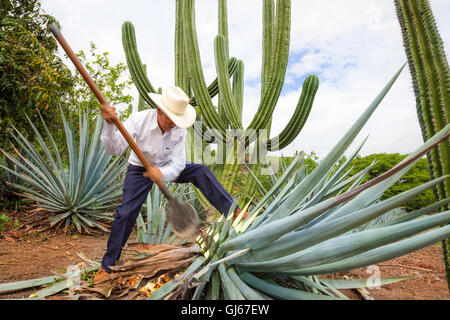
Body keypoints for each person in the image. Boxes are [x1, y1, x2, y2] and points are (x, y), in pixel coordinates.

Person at [94, 85, 248, 282]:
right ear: (159, 111)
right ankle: (107, 266)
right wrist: (109, 124)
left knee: (200, 171)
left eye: (178, 121)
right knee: (126, 213)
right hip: (139, 169)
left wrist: (161, 172)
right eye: (172, 119)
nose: (175, 124)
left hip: (165, 166)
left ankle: (233, 212)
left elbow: (178, 164)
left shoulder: (179, 131)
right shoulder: (138, 120)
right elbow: (114, 149)